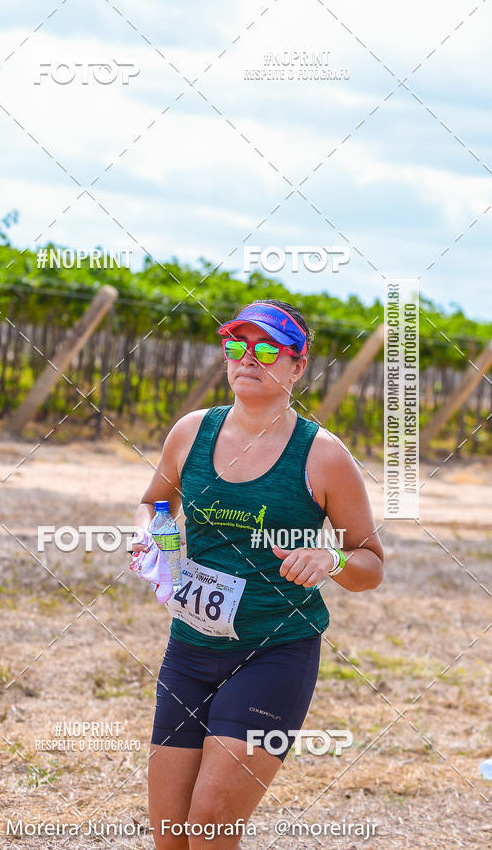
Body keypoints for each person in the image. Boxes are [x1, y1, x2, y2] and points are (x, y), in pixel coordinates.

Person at [132, 299, 384, 849]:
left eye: (269, 348)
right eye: (237, 346)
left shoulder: (324, 456)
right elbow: (153, 503)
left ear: (298, 366)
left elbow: (371, 565)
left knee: (210, 831)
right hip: (188, 649)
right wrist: (154, 534)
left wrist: (332, 560)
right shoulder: (191, 432)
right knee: (170, 839)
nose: (249, 358)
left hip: (276, 653)